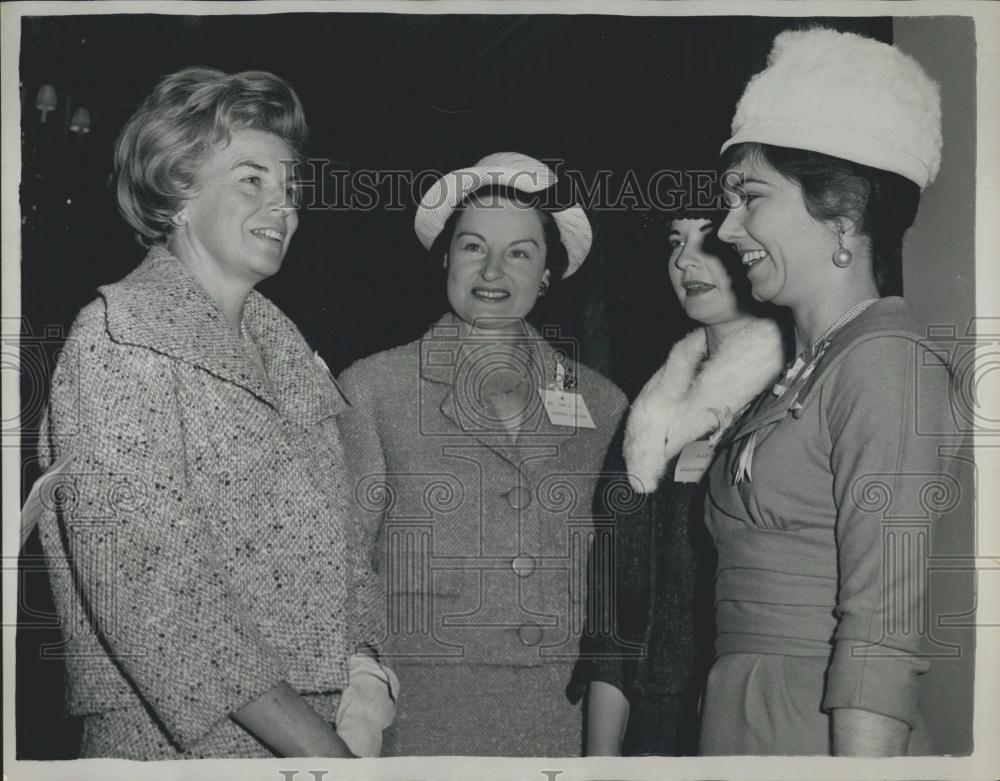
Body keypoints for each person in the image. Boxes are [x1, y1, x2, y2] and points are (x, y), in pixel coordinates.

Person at [35, 66, 393, 759]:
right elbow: (154, 594)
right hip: (179, 748)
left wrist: (367, 675)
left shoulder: (287, 352)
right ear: (176, 195)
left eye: (290, 188)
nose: (283, 206)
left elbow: (347, 547)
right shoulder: (119, 338)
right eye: (252, 179)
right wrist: (322, 752)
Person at [701, 28, 961, 755]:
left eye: (750, 198)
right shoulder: (809, 365)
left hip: (824, 738)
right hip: (746, 719)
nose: (728, 228)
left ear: (841, 213)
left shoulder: (885, 361)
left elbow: (883, 627)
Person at [337, 152, 629, 756]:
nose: (492, 270)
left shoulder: (601, 403)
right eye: (473, 246)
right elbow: (340, 568)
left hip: (561, 721)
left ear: (549, 272)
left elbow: (617, 583)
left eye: (520, 252)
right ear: (446, 256)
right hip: (420, 718)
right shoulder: (373, 388)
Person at [568, 209, 786, 755]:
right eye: (675, 241)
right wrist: (599, 761)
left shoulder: (785, 402)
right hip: (644, 729)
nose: (684, 260)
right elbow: (614, 602)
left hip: (742, 725)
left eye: (707, 241)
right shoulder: (648, 412)